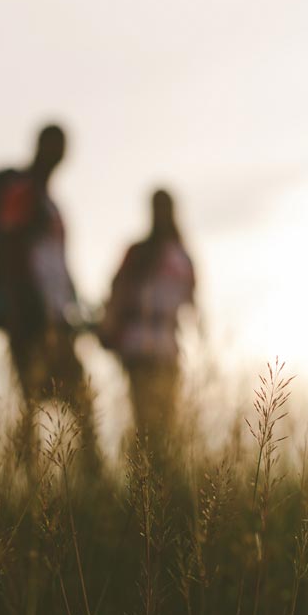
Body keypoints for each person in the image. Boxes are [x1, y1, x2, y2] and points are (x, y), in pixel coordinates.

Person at [0, 123, 100, 473]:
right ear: (39, 146)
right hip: (31, 315)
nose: (57, 154)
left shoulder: (49, 202)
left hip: (56, 317)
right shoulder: (22, 192)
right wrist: (18, 314)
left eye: (61, 148)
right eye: (52, 146)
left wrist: (76, 308)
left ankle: (68, 480)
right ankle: (35, 483)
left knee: (66, 399)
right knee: (40, 398)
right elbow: (9, 250)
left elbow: (57, 263)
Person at [98, 189, 195, 456]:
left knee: (167, 418)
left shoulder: (182, 256)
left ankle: (160, 474)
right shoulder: (140, 252)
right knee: (145, 419)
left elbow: (193, 303)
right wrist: (109, 328)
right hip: (138, 344)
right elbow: (117, 291)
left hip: (167, 345)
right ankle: (146, 478)